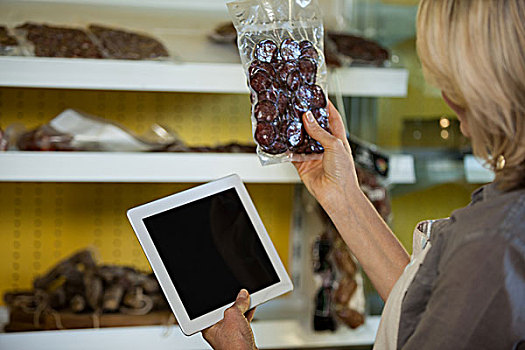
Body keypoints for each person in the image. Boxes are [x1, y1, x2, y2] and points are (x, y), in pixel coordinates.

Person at [202, 0, 525, 348]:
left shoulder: (495, 245)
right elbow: (418, 304)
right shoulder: (504, 208)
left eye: (452, 82)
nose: (447, 99)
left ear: (492, 87)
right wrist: (343, 196)